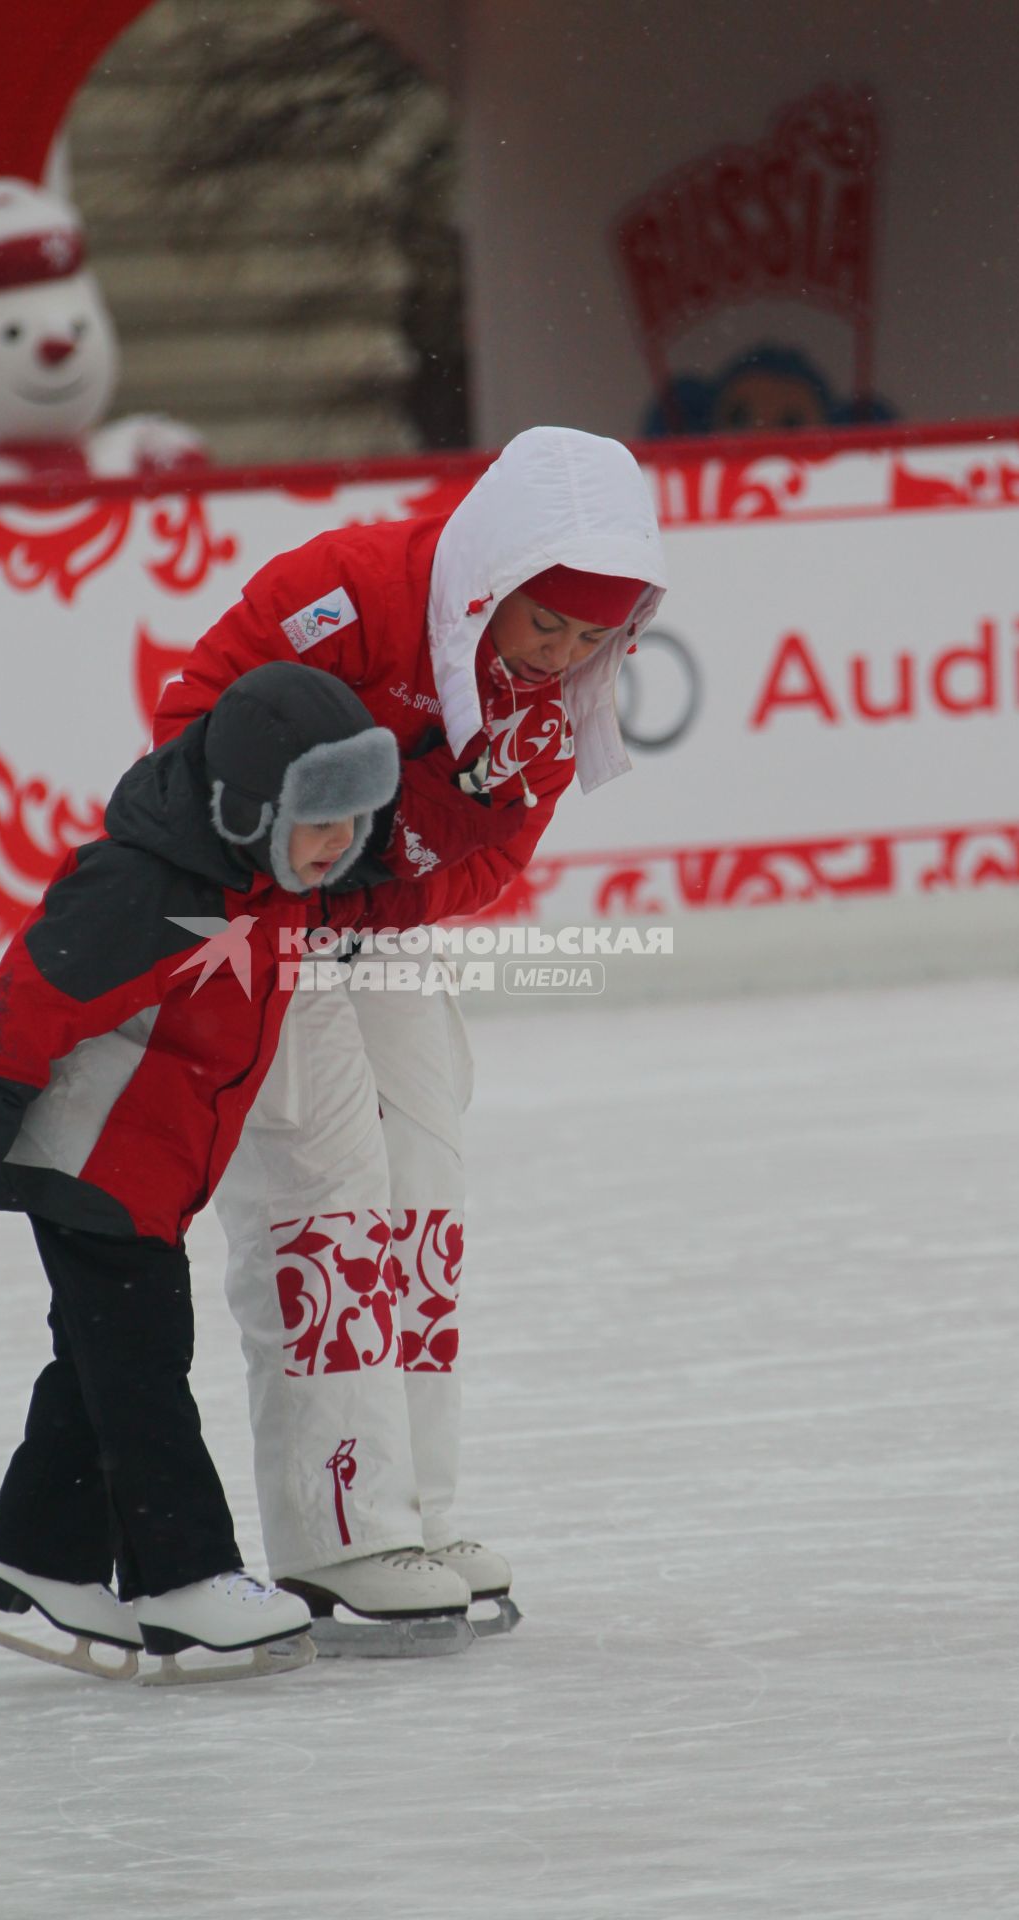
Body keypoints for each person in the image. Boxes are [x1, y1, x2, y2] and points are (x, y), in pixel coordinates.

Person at [153, 425, 668, 1636]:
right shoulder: (342, 594)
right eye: (547, 625)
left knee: (419, 1188)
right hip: (246, 912)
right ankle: (342, 1527)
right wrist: (308, 859)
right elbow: (188, 733)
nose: (564, 657)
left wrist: (381, 875)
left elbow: (484, 866)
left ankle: (417, 1506)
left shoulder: (548, 702)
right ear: (495, 574)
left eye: (595, 638)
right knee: (320, 1193)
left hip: (366, 923)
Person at [0, 662, 494, 1680]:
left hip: (149, 1175)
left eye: (354, 822)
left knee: (94, 1370)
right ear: (243, 806)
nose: (337, 846)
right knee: (141, 1370)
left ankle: (39, 1560)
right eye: (318, 824)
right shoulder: (138, 888)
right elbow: (8, 1011)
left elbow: (356, 872)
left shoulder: (274, 881)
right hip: (89, 1167)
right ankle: (182, 1580)